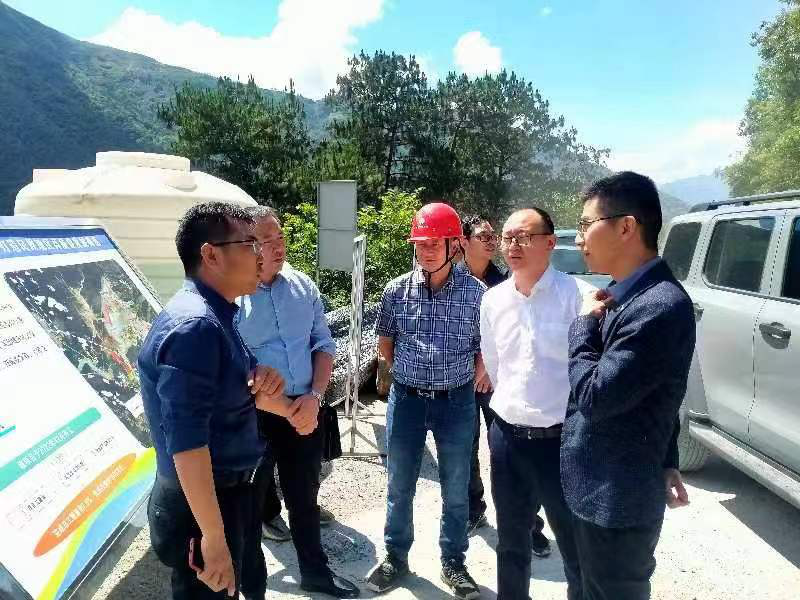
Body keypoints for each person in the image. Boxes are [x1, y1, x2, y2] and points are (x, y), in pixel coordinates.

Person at [138, 202, 286, 600]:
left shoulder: (217, 316)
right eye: (250, 244)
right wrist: (214, 538)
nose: (261, 254)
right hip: (203, 507)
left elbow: (236, 389)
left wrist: (263, 379)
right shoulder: (195, 327)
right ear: (211, 255)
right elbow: (187, 444)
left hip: (228, 495)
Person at [562, 171, 695, 600]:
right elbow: (656, 393)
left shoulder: (659, 306)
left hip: (616, 501)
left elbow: (595, 396)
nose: (579, 237)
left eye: (586, 224)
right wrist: (667, 457)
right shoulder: (626, 293)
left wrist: (581, 327)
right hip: (597, 487)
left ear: (625, 227)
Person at [236, 205, 360, 599]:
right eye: (266, 240)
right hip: (255, 417)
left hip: (307, 408)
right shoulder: (233, 299)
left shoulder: (302, 286)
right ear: (246, 245)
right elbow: (233, 372)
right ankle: (251, 588)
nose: (278, 247)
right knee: (249, 507)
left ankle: (315, 574)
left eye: (280, 237)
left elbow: (323, 344)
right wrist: (289, 409)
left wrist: (314, 397)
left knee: (304, 499)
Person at [367, 203, 486, 600]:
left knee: (455, 487)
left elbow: (484, 350)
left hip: (457, 403)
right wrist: (408, 375)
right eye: (421, 244)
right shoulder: (396, 290)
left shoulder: (477, 295)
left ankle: (454, 561)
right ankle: (395, 557)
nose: (427, 251)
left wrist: (468, 377)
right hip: (407, 401)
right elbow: (386, 343)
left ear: (455, 245)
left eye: (435, 243)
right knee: (399, 484)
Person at [480, 208, 593, 600]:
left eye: (524, 237)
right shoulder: (493, 300)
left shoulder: (578, 297)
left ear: (550, 242)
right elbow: (494, 364)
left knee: (575, 546)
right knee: (512, 542)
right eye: (508, 237)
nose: (514, 245)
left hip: (561, 443)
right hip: (507, 439)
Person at [461, 214, 552, 559]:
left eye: (491, 236)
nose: (490, 241)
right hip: (459, 381)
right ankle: (473, 509)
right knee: (464, 449)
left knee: (515, 455)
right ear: (464, 242)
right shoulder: (451, 280)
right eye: (482, 236)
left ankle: (530, 526)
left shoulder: (507, 281)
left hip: (496, 382)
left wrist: (486, 367)